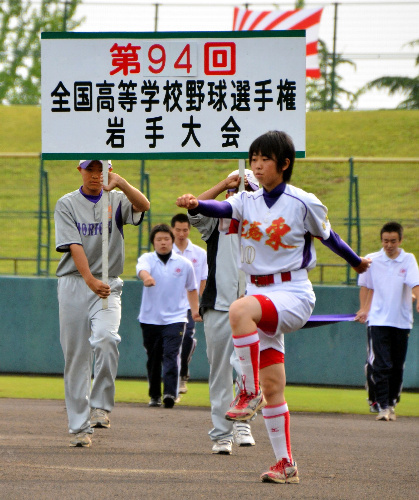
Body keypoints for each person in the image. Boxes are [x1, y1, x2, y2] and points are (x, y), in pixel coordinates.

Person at [176, 130, 371, 483]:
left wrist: (357, 263)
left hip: (293, 292)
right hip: (260, 293)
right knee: (274, 385)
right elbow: (220, 207)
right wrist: (196, 204)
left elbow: (331, 237)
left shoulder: (302, 202)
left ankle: (247, 391)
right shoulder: (246, 201)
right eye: (254, 159)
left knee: (239, 311)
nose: (258, 165)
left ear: (284, 163)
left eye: (265, 159)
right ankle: (286, 463)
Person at [55, 159, 150, 448]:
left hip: (109, 282)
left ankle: (100, 405)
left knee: (107, 339)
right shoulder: (67, 203)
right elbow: (74, 245)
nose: (96, 175)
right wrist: (89, 280)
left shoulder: (117, 198)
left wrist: (120, 182)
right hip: (74, 282)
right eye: (90, 169)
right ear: (80, 171)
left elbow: (143, 206)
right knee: (76, 358)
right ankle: (80, 428)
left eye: (102, 169)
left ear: (109, 170)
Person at [188, 168, 259, 455]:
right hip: (218, 304)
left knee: (248, 370)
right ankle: (221, 434)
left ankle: (243, 423)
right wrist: (222, 184)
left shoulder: (265, 223)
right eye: (236, 189)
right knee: (219, 372)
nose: (241, 193)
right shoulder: (217, 221)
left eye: (247, 189)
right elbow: (194, 207)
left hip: (253, 307)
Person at [355, 222, 419, 421]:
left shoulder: (408, 260)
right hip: (377, 320)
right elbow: (366, 287)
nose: (389, 245)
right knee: (381, 364)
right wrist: (363, 309)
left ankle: (391, 402)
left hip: (401, 321)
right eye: (385, 241)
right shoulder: (372, 260)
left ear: (400, 241)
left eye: (393, 241)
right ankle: (382, 405)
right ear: (381, 240)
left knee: (397, 366)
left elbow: (415, 283)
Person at [136, 223, 202, 409]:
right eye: (159, 240)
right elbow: (142, 270)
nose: (163, 243)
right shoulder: (147, 259)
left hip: (176, 318)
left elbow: (192, 289)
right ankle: (155, 395)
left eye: (166, 239)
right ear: (153, 242)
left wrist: (195, 311)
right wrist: (146, 278)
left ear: (172, 241)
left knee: (172, 355)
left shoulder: (184, 264)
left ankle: (170, 394)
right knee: (153, 357)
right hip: (150, 318)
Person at [171, 213, 208, 394]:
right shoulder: (165, 252)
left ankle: (182, 375)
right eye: (178, 230)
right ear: (172, 230)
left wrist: (202, 304)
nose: (181, 234)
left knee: (186, 337)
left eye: (185, 230)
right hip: (168, 305)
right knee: (169, 343)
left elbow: (203, 280)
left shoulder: (200, 254)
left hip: (188, 305)